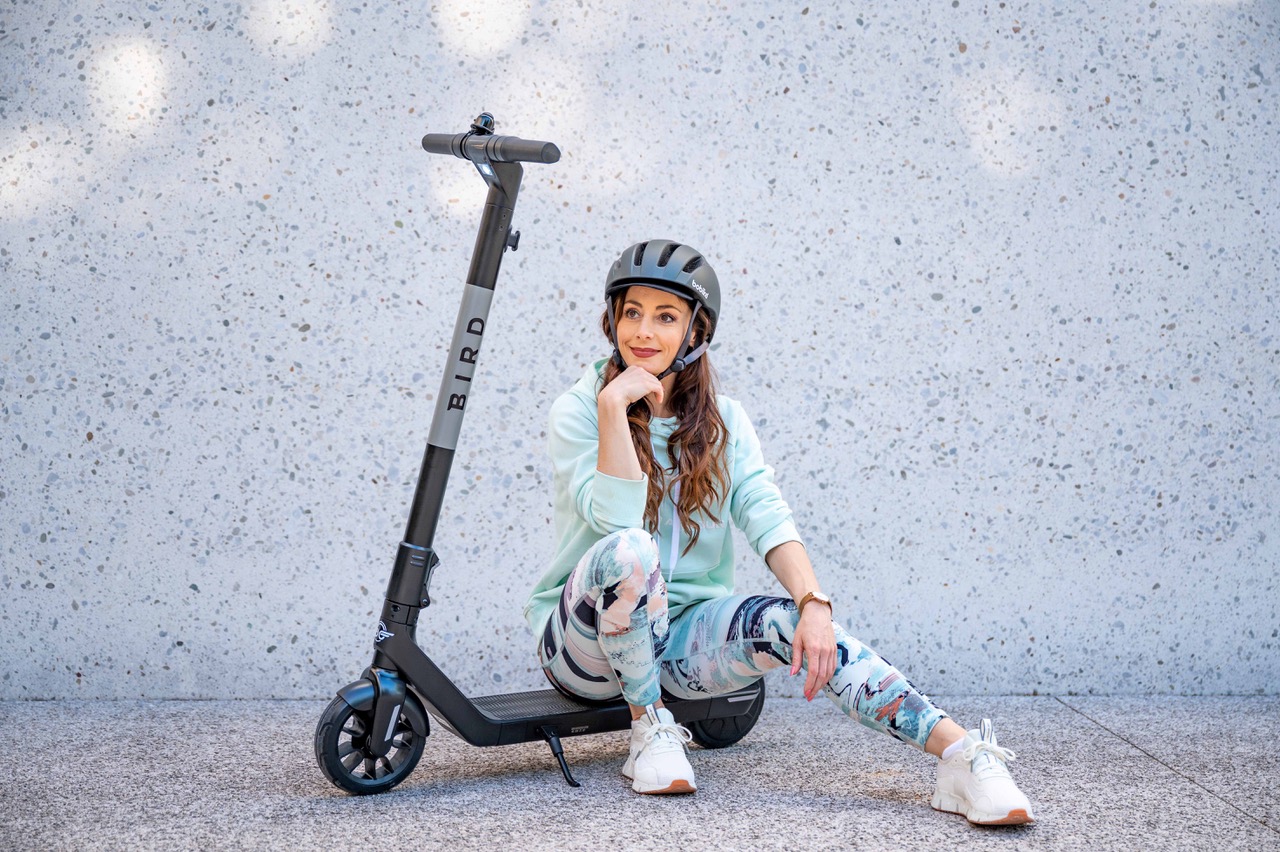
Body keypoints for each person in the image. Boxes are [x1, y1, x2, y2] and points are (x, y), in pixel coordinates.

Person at [524, 240, 1034, 825]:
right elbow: (615, 527)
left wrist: (813, 604)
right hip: (584, 650)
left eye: (665, 316)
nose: (642, 330)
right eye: (631, 312)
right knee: (631, 549)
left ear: (695, 331)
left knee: (800, 623)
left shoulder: (725, 422)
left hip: (680, 646)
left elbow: (765, 513)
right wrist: (613, 408)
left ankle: (962, 756)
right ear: (612, 318)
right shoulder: (580, 410)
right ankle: (648, 728)